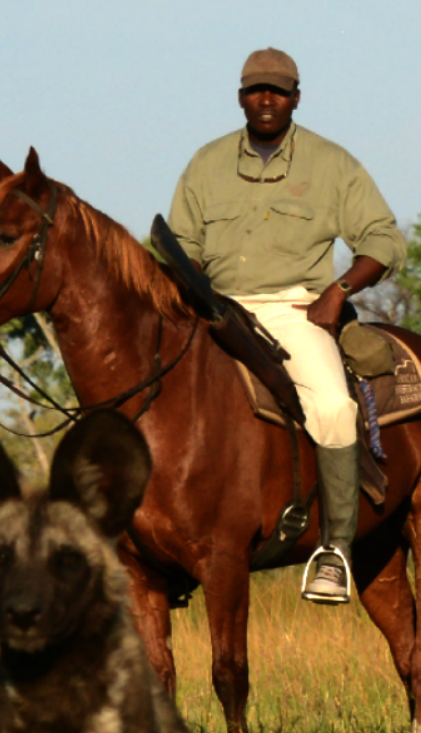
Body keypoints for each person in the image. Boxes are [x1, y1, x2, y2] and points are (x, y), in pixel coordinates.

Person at [166, 48, 406, 605]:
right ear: (241, 97)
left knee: (333, 405)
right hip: (218, 310)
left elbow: (383, 240)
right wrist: (197, 295)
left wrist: (337, 293)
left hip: (295, 310)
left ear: (296, 97)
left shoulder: (331, 163)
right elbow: (182, 247)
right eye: (255, 90)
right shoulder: (206, 163)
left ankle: (336, 552)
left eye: (277, 90)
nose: (266, 99)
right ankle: (166, 548)